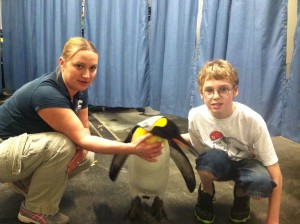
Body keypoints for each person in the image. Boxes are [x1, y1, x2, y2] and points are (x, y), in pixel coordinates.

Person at [0, 37, 163, 224]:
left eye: (92, 68)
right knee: (62, 146)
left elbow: (84, 129)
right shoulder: (47, 93)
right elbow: (83, 139)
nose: (87, 75)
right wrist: (133, 148)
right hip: (3, 149)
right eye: (79, 66)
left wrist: (82, 145)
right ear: (62, 63)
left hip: (17, 147)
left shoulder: (78, 88)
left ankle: (25, 183)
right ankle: (34, 211)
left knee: (86, 156)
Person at [182, 59, 282, 224]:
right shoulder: (195, 116)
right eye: (209, 90)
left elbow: (275, 172)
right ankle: (207, 191)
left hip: (246, 164)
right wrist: (168, 136)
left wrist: (273, 219)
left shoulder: (252, 120)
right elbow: (196, 141)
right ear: (201, 93)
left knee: (262, 185)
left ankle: (241, 194)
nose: (216, 96)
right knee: (207, 161)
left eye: (223, 89)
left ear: (235, 90)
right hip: (218, 163)